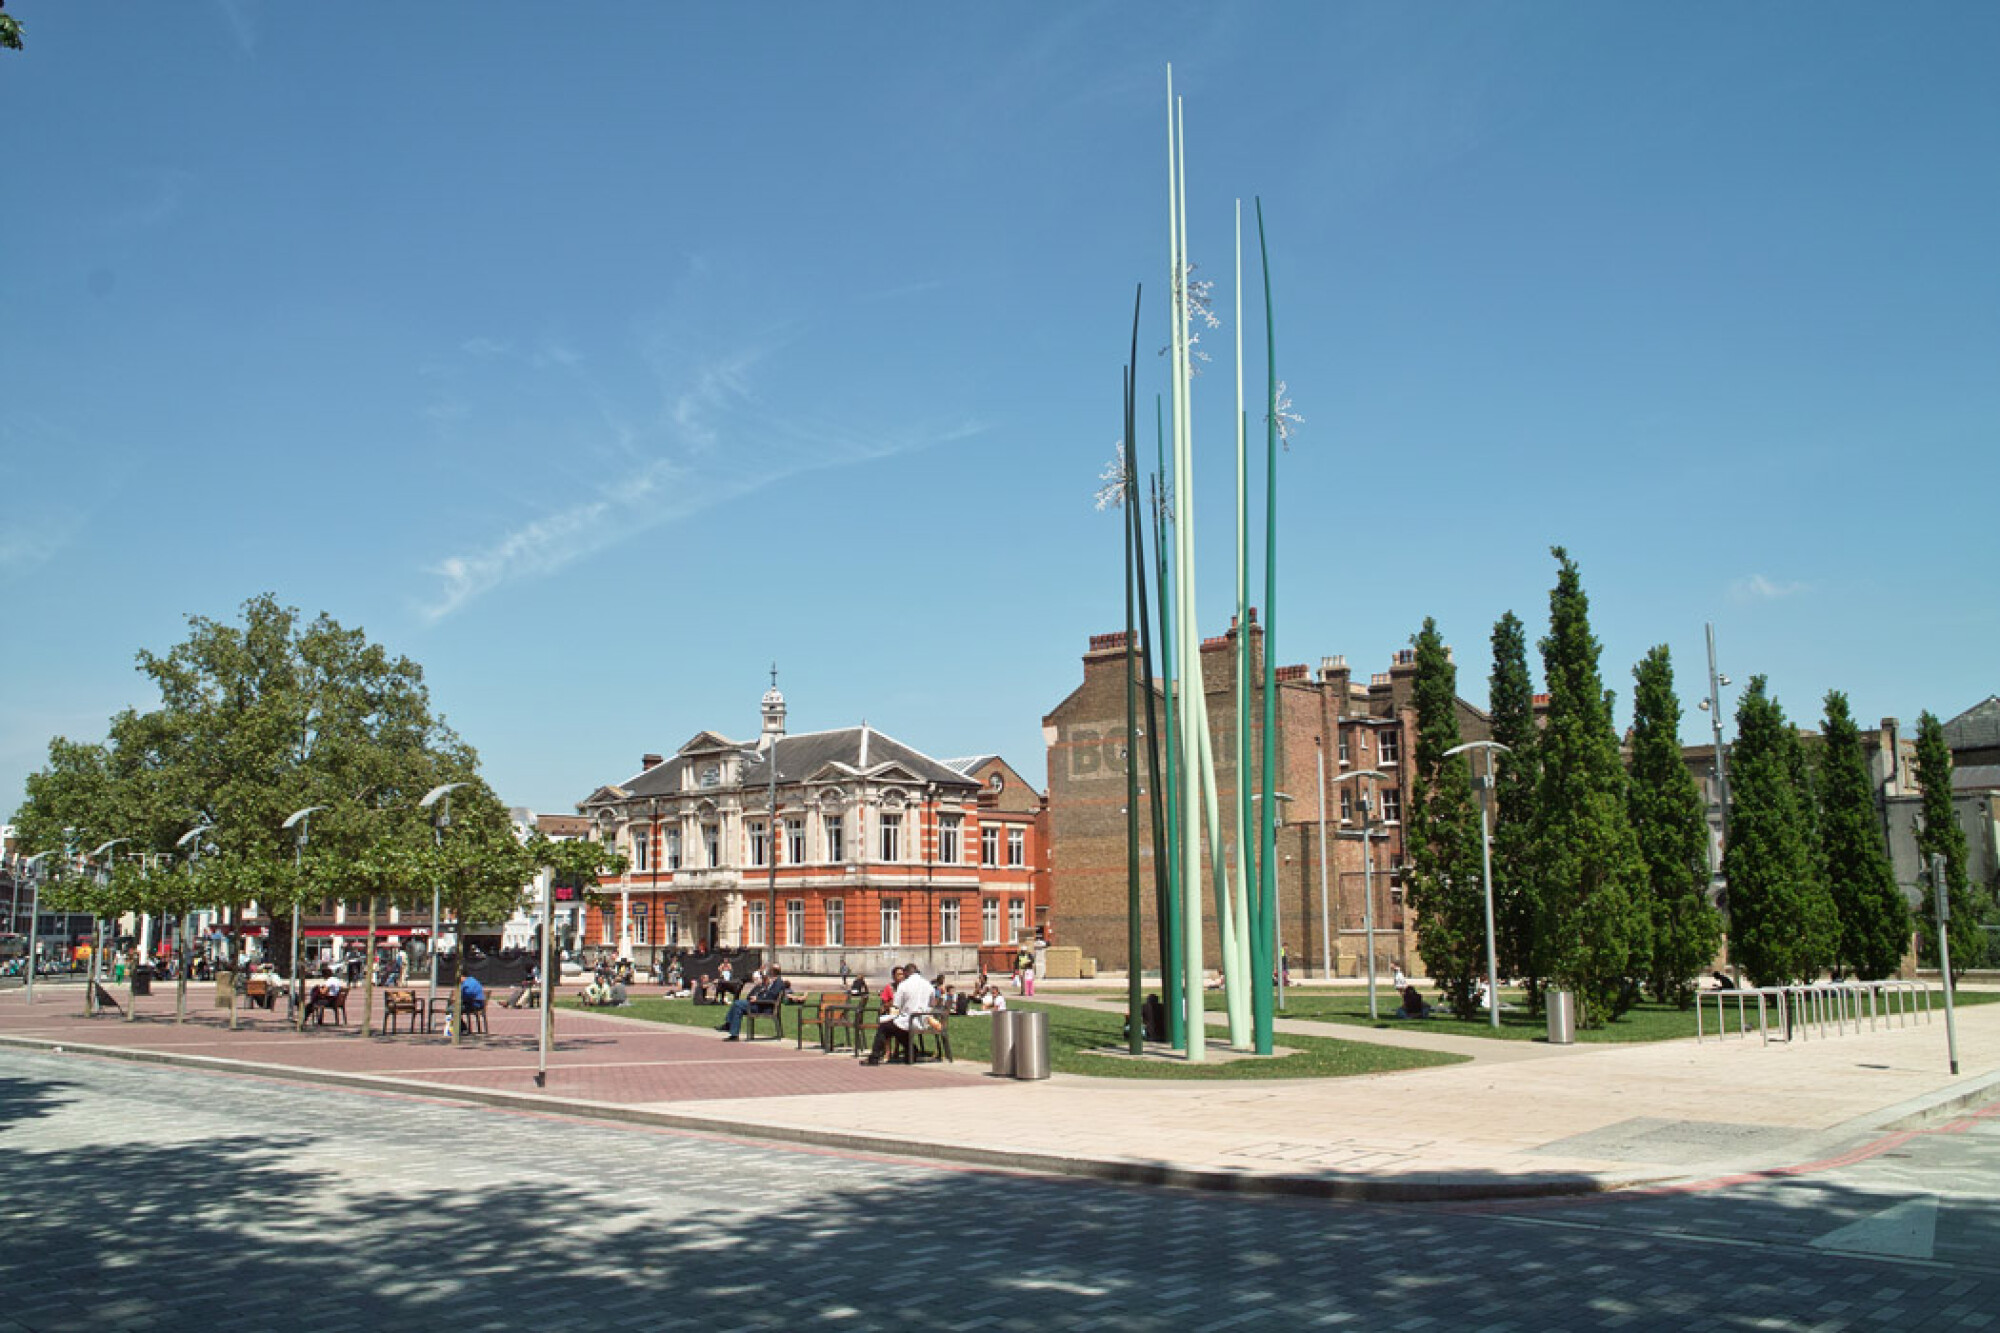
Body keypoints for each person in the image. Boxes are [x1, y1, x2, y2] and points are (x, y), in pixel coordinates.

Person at [864, 962, 936, 1065]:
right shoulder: (928, 985)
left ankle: (874, 1057)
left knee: (884, 1027)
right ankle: (911, 1051)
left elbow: (897, 1005)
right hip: (923, 1021)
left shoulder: (904, 985)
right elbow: (932, 1003)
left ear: (906, 973)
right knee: (897, 1029)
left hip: (908, 1020)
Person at [718, 966, 790, 1040]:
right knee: (737, 1007)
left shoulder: (778, 983)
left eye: (769, 970)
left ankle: (729, 1026)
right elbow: (750, 996)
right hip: (758, 1005)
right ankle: (733, 1033)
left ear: (773, 972)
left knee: (737, 1004)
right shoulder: (769, 983)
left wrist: (757, 999)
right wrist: (760, 986)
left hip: (763, 1007)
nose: (767, 973)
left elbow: (772, 996)